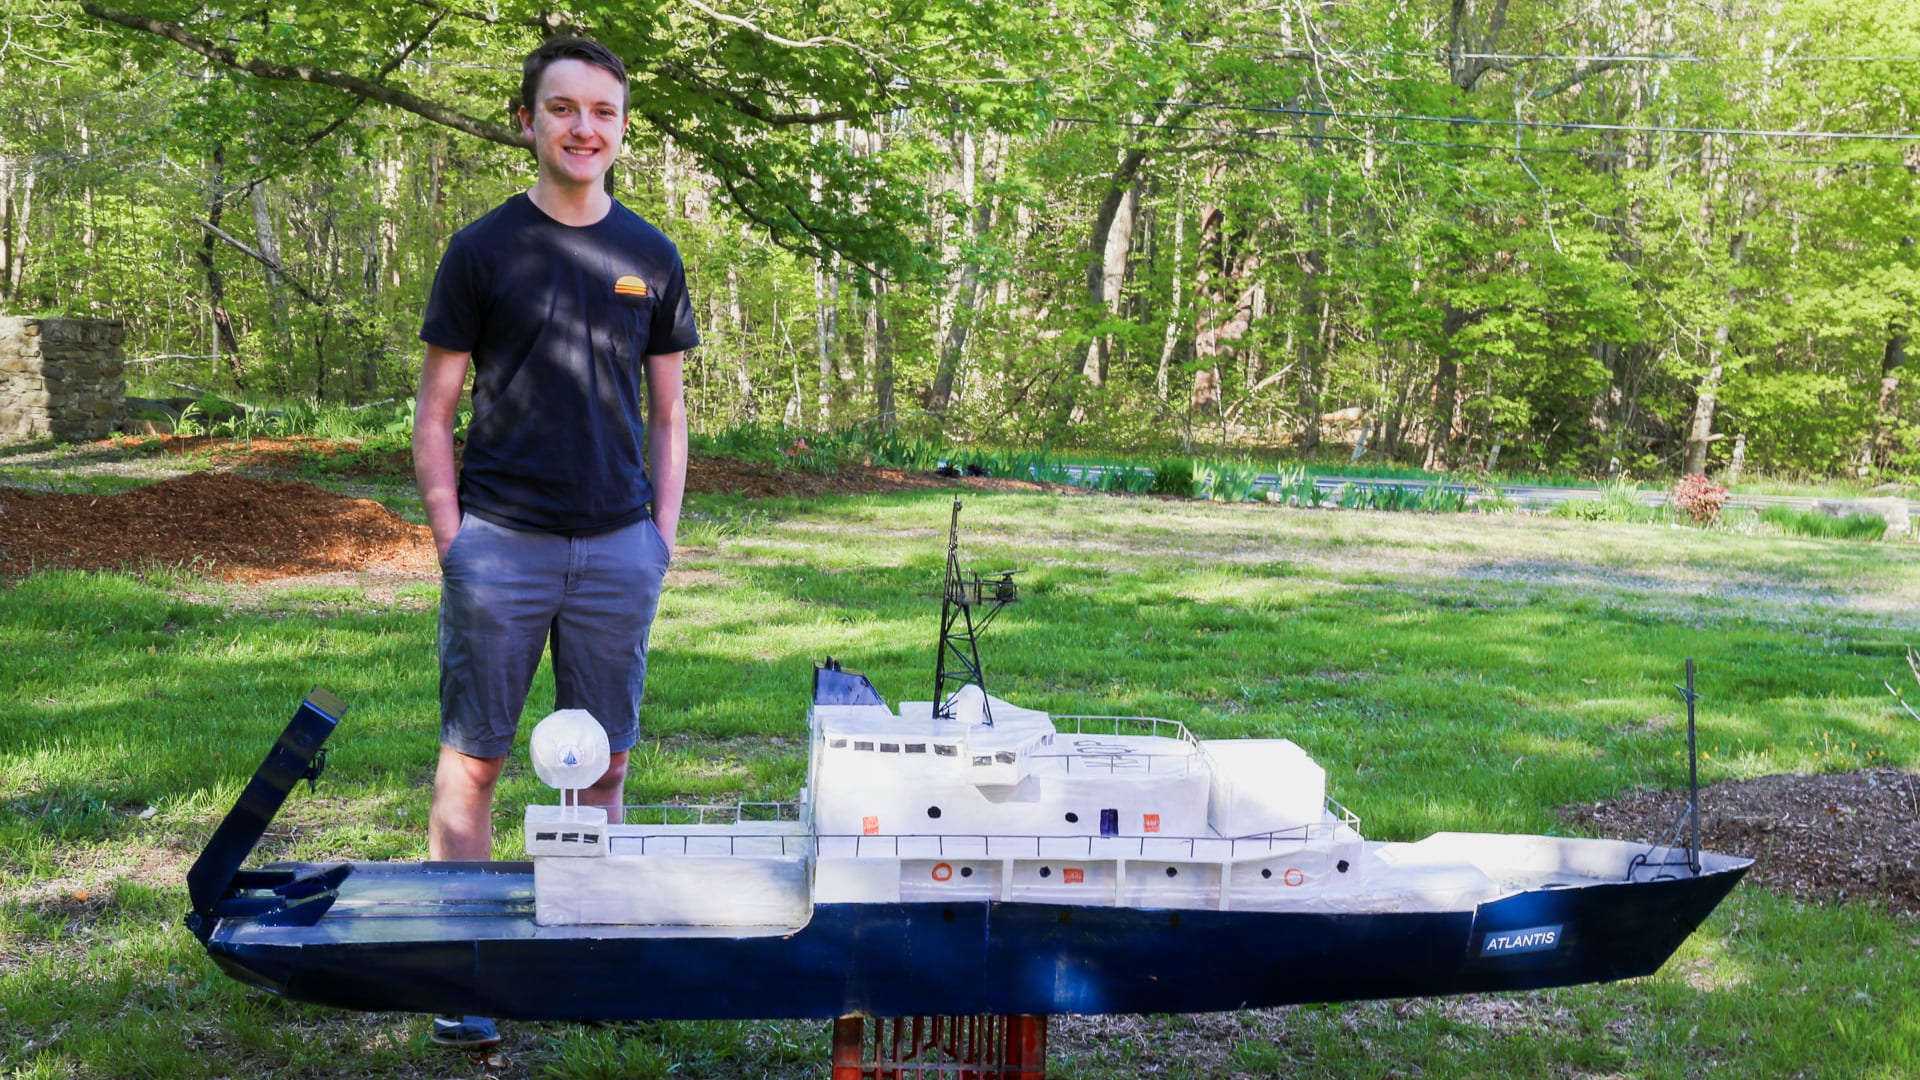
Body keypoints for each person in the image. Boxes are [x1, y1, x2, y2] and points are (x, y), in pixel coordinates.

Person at [411, 35, 696, 1050]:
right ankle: (465, 970)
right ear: (527, 121)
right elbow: (437, 409)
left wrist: (660, 537)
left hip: (619, 549)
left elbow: (667, 417)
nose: (586, 129)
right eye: (564, 109)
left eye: (604, 113)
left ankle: (588, 958)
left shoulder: (652, 257)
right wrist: (455, 538)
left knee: (605, 765)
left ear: (622, 128)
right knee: (476, 761)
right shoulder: (483, 251)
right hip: (501, 545)